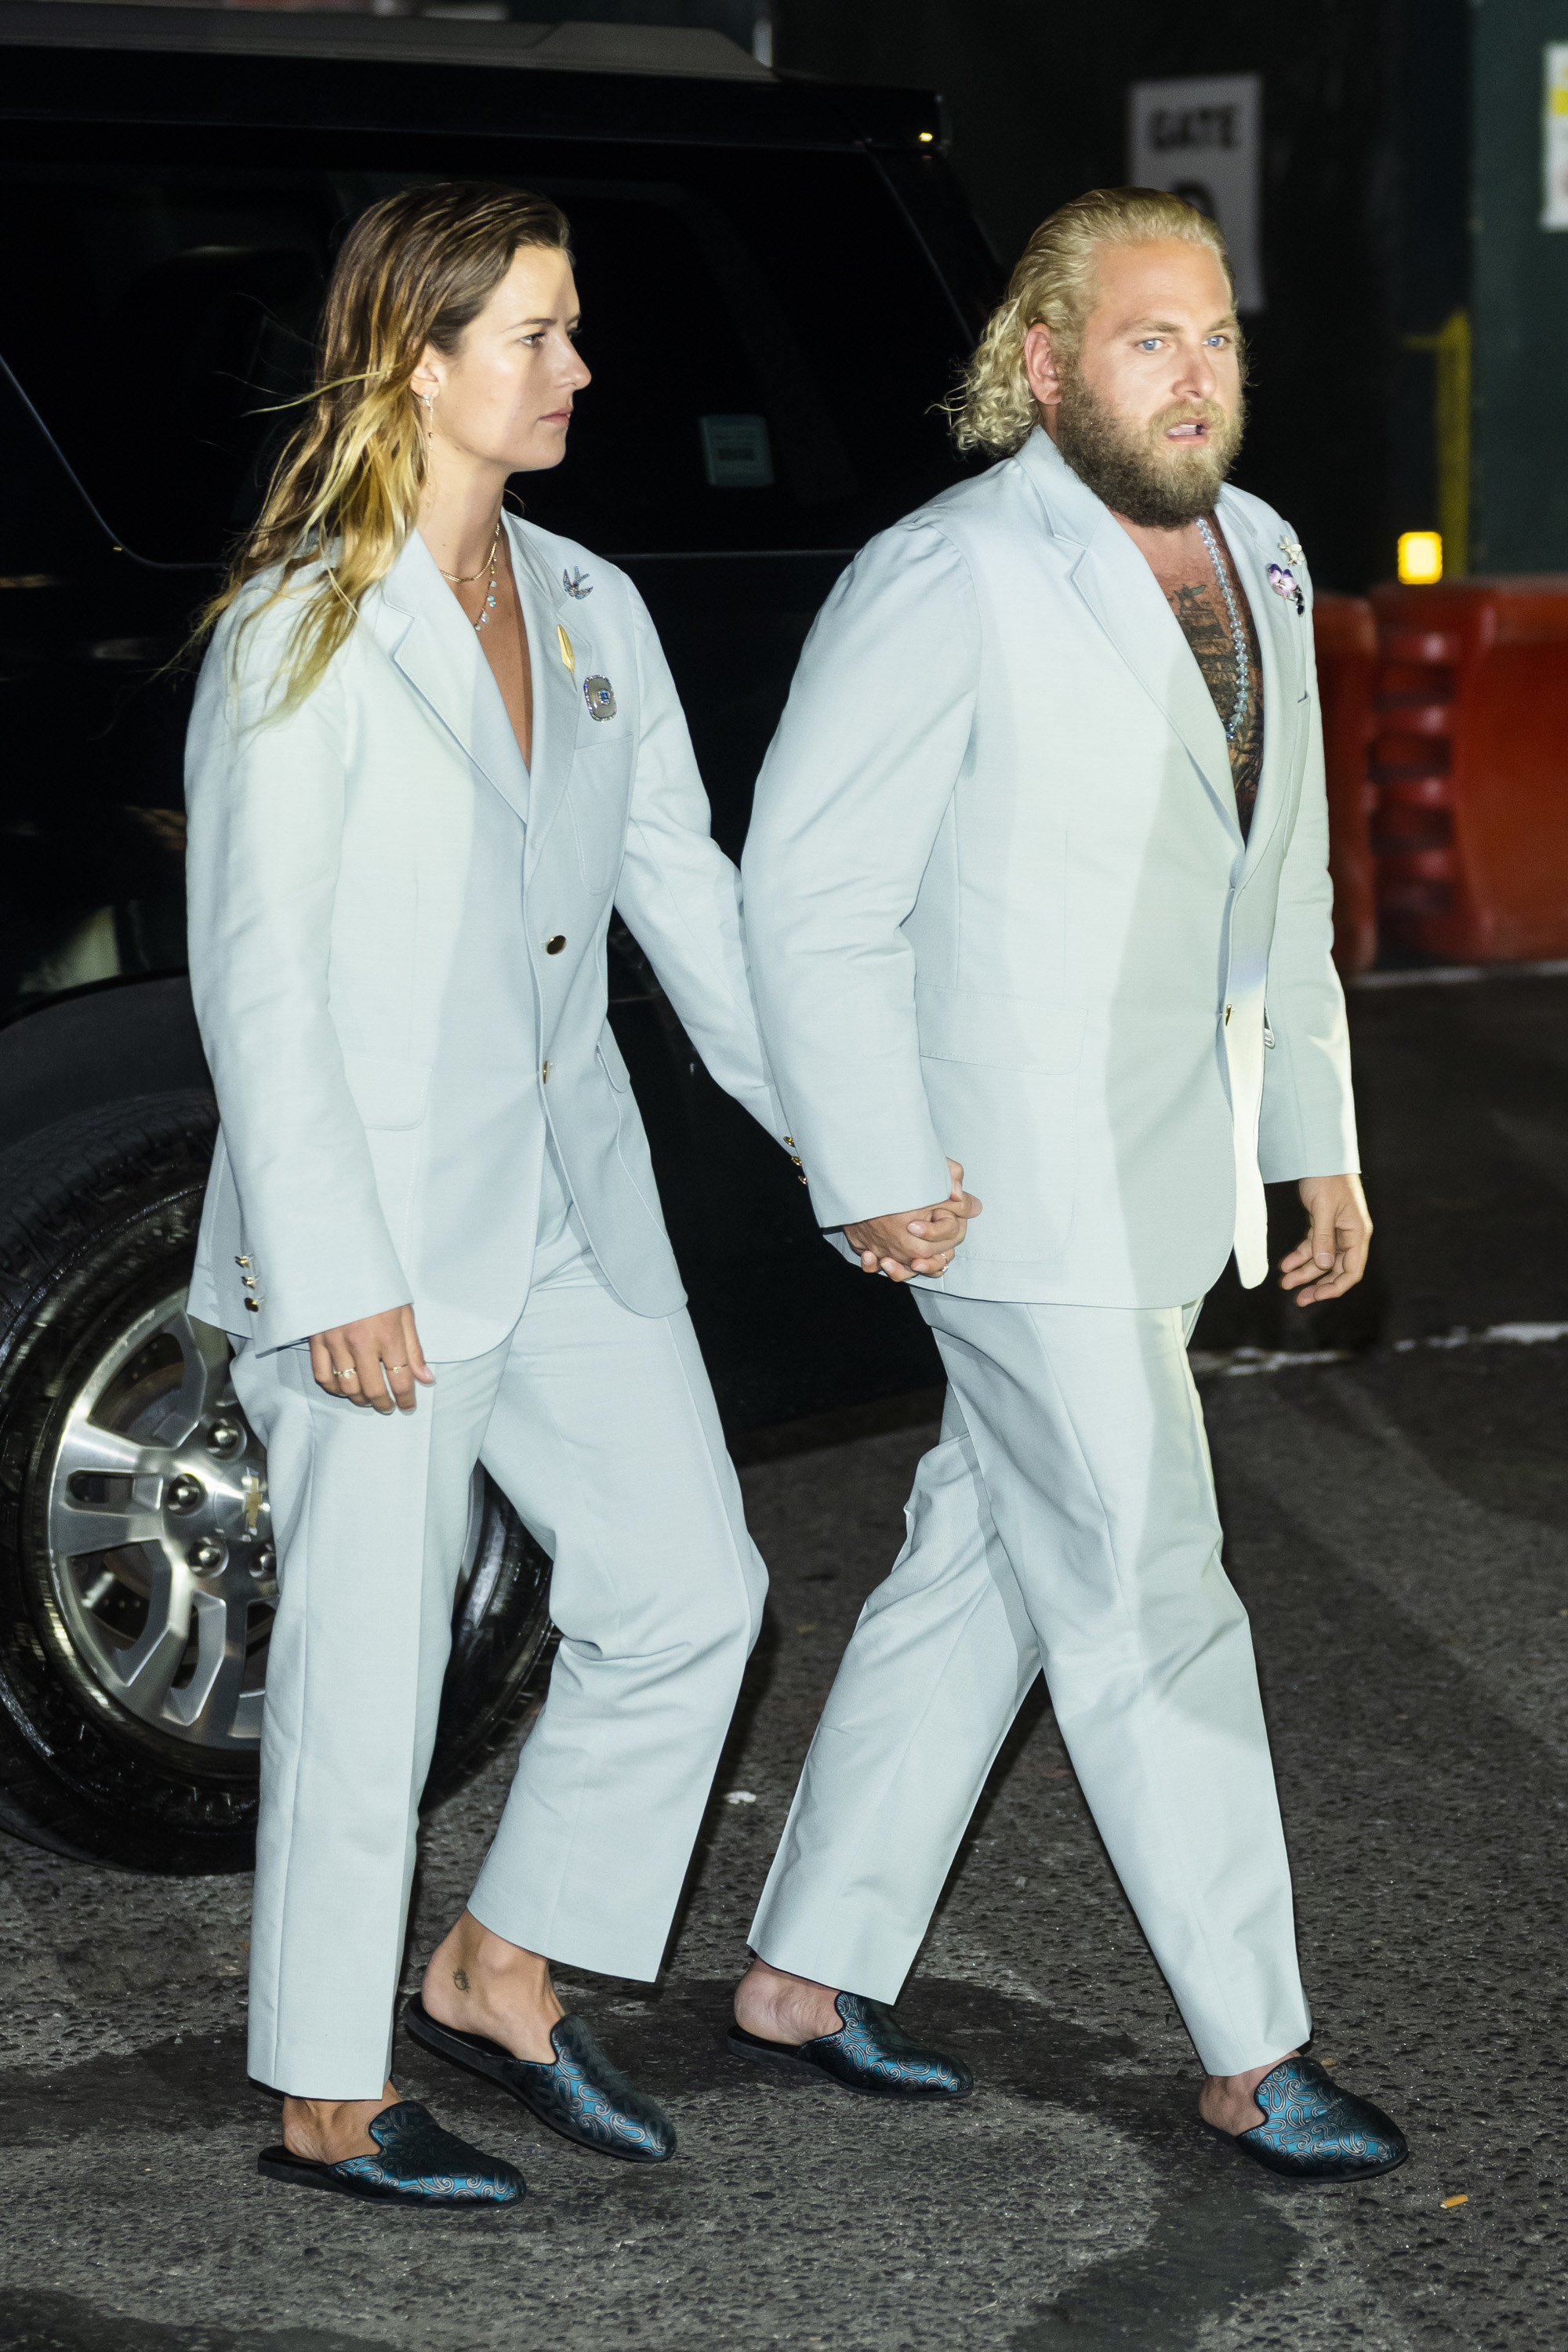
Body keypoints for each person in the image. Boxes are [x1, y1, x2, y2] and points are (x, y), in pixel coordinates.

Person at [730, 188, 1407, 2181]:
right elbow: (812, 892)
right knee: (1143, 1587)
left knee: (990, 1562)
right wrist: (867, 1163)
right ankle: (1250, 2048)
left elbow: (1277, 880)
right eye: (1145, 341)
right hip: (1004, 1185)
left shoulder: (1260, 554)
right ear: (1042, 363)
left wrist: (1311, 1141)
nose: (1194, 376)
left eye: (1214, 338)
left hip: (1167, 1168)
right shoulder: (947, 573)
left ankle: (804, 1968)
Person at [185, 181, 797, 2207]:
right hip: (376, 1234)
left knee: (693, 1592)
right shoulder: (303, 622)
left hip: (568, 1200)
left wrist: (864, 1154)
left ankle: (500, 1965)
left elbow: (689, 904)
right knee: (372, 1662)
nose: (578, 368)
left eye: (572, 327)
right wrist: (331, 1268)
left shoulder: (594, 608)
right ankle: (326, 2096)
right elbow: (255, 974)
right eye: (535, 334)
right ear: (419, 360)